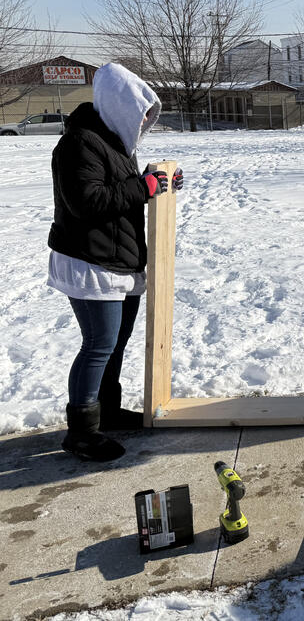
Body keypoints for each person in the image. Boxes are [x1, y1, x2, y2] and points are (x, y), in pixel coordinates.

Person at [48, 63, 184, 462]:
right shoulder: (79, 143)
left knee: (115, 343)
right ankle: (82, 432)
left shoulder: (113, 143)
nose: (144, 121)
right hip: (89, 262)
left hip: (117, 259)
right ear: (120, 106)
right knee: (98, 344)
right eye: (140, 112)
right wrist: (143, 187)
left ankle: (106, 411)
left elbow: (118, 190)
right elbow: (88, 202)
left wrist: (156, 184)